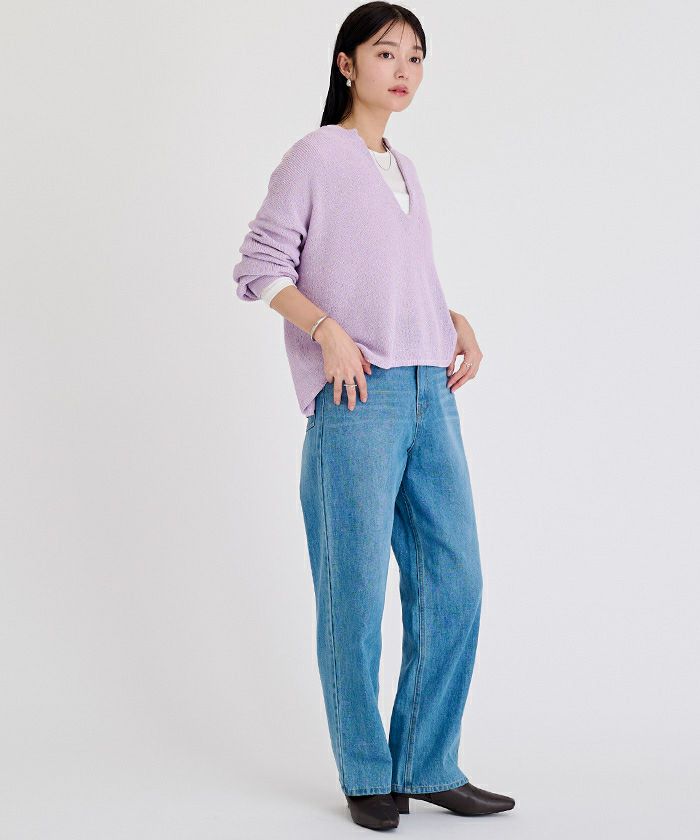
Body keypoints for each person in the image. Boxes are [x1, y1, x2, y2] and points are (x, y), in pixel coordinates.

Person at [232, 2, 515, 830]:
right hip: (358, 397)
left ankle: (428, 762)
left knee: (454, 579)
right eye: (387, 52)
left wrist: (451, 319)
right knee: (353, 592)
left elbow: (394, 276)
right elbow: (258, 265)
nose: (404, 69)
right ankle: (366, 771)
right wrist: (327, 332)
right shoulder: (316, 155)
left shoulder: (405, 168)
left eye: (416, 56)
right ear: (347, 64)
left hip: (431, 390)